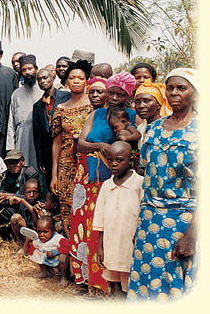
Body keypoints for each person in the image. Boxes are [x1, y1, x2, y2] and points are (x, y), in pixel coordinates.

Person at [127, 68, 198, 301]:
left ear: (195, 94)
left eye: (181, 88)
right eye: (170, 87)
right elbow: (148, 178)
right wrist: (141, 222)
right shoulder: (153, 129)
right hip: (150, 219)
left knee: (176, 283)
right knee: (146, 281)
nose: (174, 92)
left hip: (184, 222)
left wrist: (191, 235)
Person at [70, 70, 139, 296]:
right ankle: (89, 280)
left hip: (115, 181)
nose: (115, 97)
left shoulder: (133, 115)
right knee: (88, 228)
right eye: (112, 93)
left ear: (128, 95)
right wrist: (99, 146)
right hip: (89, 178)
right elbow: (80, 144)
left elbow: (134, 141)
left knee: (111, 230)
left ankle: (111, 285)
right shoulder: (96, 114)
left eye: (120, 94)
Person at [92, 141, 143, 298]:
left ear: (131, 161)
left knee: (132, 282)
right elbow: (100, 219)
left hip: (130, 245)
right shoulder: (107, 186)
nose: (113, 164)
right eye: (110, 160)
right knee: (116, 282)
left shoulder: (139, 183)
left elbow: (144, 214)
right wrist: (100, 248)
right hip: (112, 245)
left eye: (119, 160)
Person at [49, 60, 94, 238]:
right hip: (66, 164)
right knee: (67, 205)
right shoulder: (60, 109)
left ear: (86, 81)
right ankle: (70, 250)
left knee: (87, 204)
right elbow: (57, 143)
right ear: (66, 81)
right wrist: (54, 174)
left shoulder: (94, 106)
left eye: (80, 78)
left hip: (89, 163)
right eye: (72, 78)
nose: (76, 81)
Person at [32, 68, 70, 195]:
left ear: (53, 78)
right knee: (53, 188)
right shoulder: (37, 106)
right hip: (48, 155)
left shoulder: (66, 97)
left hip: (66, 149)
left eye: (45, 78)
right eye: (39, 79)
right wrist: (40, 159)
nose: (42, 81)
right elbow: (37, 136)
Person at [6, 54, 43, 169]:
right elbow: (11, 122)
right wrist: (11, 147)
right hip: (22, 137)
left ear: (36, 69)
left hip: (40, 139)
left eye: (30, 69)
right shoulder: (16, 94)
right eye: (24, 70)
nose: (27, 72)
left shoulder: (43, 91)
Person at [24, 216, 70, 286]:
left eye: (45, 232)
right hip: (48, 260)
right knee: (35, 251)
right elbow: (27, 253)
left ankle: (65, 277)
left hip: (60, 262)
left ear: (53, 230)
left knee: (63, 256)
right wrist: (27, 241)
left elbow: (69, 248)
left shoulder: (59, 239)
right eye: (39, 231)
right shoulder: (37, 240)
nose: (41, 234)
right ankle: (46, 272)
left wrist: (54, 252)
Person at [133, 81, 171, 151]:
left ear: (158, 105)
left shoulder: (166, 128)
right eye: (137, 102)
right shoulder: (140, 128)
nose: (141, 106)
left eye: (147, 101)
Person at [6, 178, 41, 251]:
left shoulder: (40, 203)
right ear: (23, 193)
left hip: (38, 233)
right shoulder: (21, 203)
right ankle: (21, 244)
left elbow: (34, 212)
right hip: (26, 231)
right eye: (29, 192)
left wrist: (22, 201)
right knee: (15, 218)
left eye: (35, 192)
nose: (32, 195)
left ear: (39, 193)